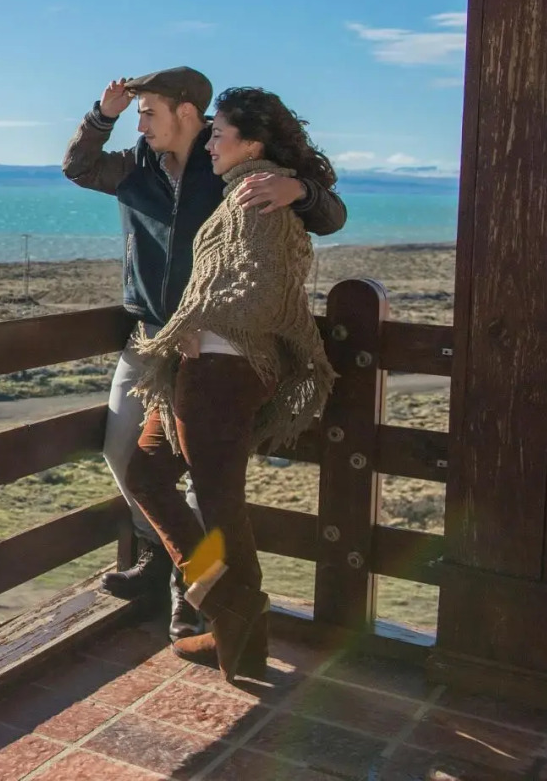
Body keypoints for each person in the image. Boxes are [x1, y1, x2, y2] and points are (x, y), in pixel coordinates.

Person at [63, 68, 345, 640]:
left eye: (148, 113)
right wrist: (102, 114)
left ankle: (194, 597)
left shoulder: (229, 173)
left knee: (199, 480)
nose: (139, 126)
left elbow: (326, 217)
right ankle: (167, 557)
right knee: (128, 455)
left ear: (186, 112)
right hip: (152, 336)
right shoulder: (134, 169)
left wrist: (302, 191)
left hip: (212, 349)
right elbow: (78, 166)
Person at [122, 86, 337, 680]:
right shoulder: (246, 187)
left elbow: (258, 285)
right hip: (208, 368)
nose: (210, 142)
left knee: (217, 504)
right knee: (151, 474)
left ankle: (235, 617)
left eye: (219, 133)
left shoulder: (256, 191)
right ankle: (231, 618)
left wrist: (197, 325)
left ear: (253, 144)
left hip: (221, 370)